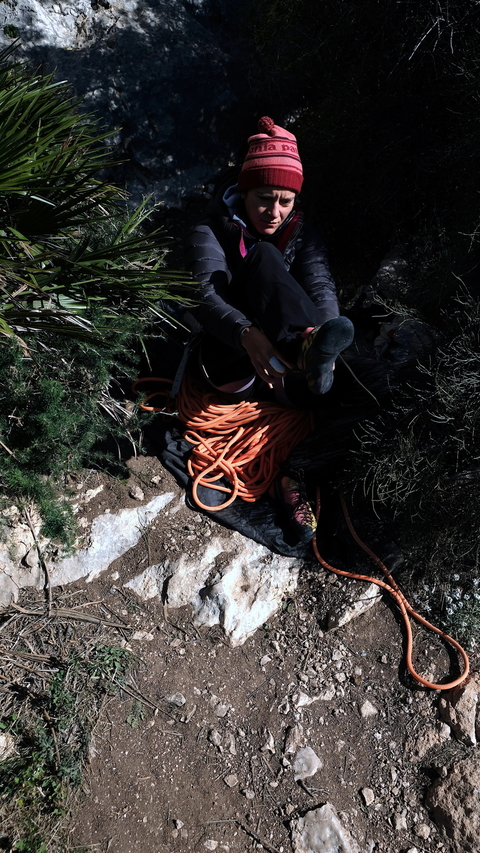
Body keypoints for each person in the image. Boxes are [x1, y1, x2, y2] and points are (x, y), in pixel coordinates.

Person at [184, 117, 354, 541]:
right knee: (261, 259)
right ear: (243, 192)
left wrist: (324, 333)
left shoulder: (303, 234)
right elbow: (204, 296)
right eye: (264, 199)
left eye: (285, 201)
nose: (274, 213)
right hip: (232, 361)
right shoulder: (209, 229)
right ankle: (305, 352)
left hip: (291, 374)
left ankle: (293, 474)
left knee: (369, 384)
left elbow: (321, 285)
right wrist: (247, 333)